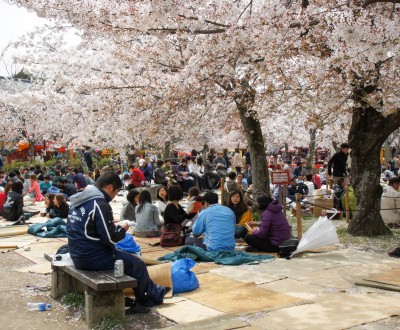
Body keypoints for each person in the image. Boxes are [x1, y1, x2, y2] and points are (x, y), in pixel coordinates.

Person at [67, 172, 167, 312]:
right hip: (92, 257)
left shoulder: (78, 201)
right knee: (137, 264)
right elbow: (109, 239)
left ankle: (154, 291)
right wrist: (122, 229)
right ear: (109, 187)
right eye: (116, 192)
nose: (114, 197)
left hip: (77, 253)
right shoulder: (99, 204)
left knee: (128, 258)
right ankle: (144, 301)